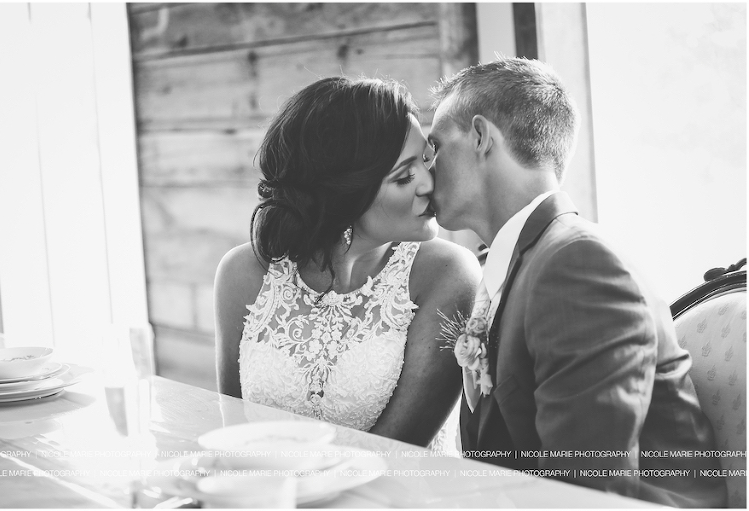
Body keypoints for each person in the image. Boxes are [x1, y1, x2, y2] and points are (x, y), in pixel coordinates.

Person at [427, 58, 727, 506]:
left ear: (480, 137)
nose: (426, 169)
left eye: (434, 146)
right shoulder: (517, 262)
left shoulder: (578, 265)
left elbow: (588, 491)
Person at [214, 76, 481, 451]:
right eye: (404, 176)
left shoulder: (448, 274)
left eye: (426, 160)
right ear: (343, 197)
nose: (427, 184)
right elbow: (235, 438)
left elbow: (397, 451)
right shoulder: (243, 274)